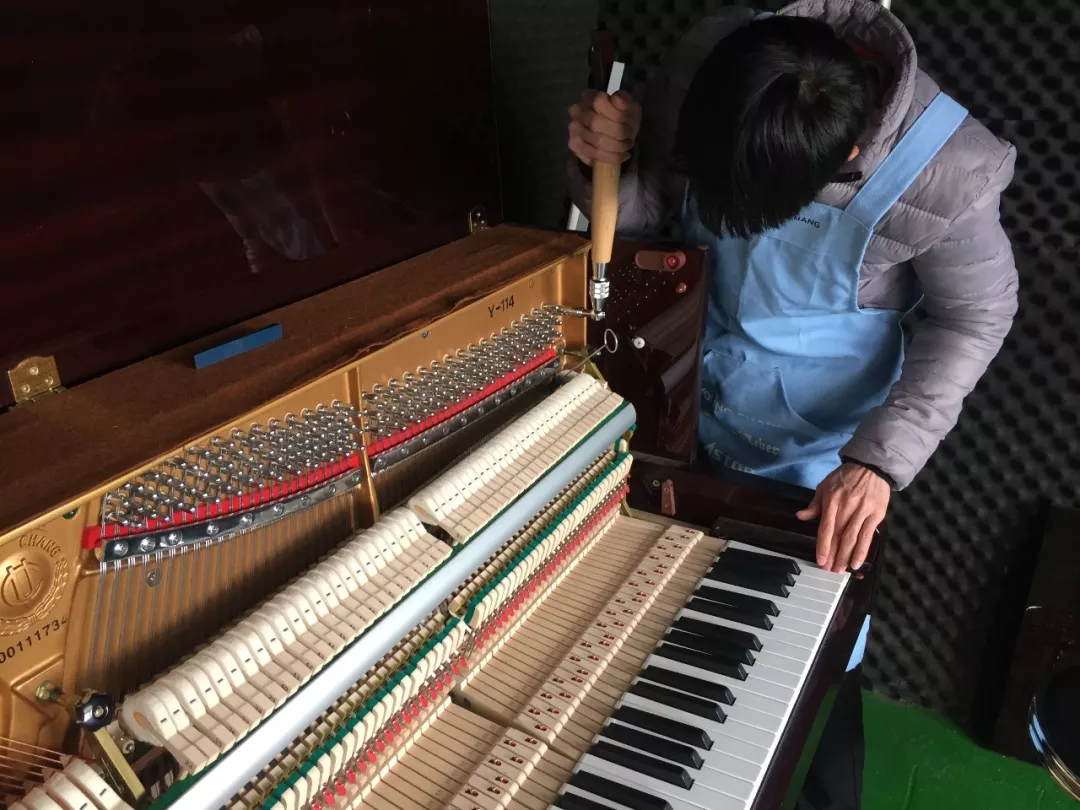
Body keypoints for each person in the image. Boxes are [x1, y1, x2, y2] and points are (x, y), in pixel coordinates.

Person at [566, 1, 1017, 808]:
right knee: (668, 660)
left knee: (806, 697)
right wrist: (611, 160)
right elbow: (647, 220)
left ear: (846, 157)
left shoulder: (948, 167)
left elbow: (975, 315)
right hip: (681, 404)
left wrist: (877, 464)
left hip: (817, 459)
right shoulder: (718, 62)